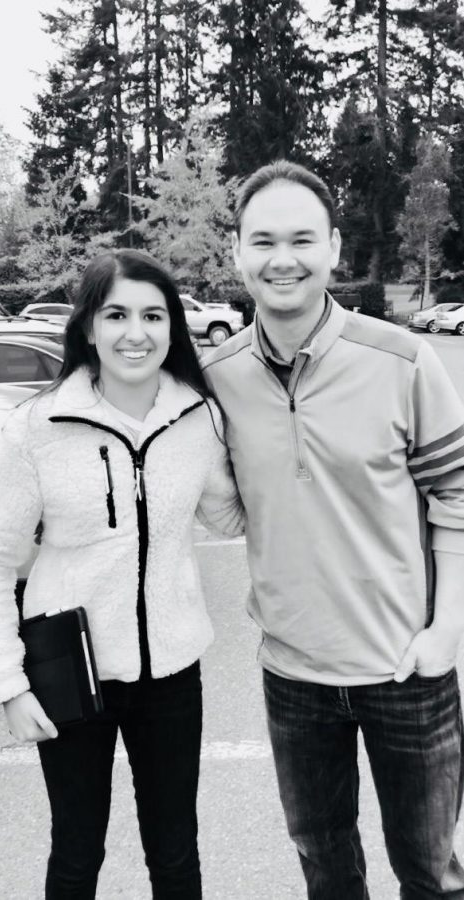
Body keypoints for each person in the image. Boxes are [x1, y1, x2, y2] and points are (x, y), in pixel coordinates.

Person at [202, 160, 464, 900]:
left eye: (300, 239)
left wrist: (445, 629)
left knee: (430, 871)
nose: (281, 258)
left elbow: (456, 494)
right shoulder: (215, 377)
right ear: (237, 254)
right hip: (292, 676)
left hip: (404, 668)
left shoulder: (401, 359)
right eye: (262, 240)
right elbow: (220, 505)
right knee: (324, 866)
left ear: (333, 247)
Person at [0, 249, 243, 900]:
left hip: (172, 674)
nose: (135, 332)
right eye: (115, 314)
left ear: (173, 328)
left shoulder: (196, 418)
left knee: (175, 853)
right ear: (87, 326)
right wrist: (5, 684)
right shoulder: (35, 428)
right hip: (70, 672)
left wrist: (277, 454)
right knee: (76, 851)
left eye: (153, 314)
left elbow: (229, 519)